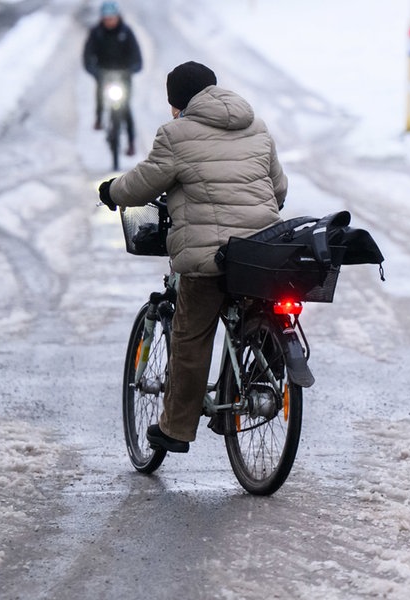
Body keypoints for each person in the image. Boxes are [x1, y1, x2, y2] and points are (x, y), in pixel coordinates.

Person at [98, 61, 288, 453]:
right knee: (255, 306)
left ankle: (176, 429)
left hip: (210, 258)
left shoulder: (175, 134)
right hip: (262, 253)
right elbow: (279, 188)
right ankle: (257, 377)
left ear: (178, 103)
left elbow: (141, 184)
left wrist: (111, 191)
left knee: (190, 335)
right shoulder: (256, 126)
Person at [82, 1, 142, 155]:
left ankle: (131, 143)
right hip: (104, 74)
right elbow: (88, 56)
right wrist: (94, 71)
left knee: (126, 108)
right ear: (102, 18)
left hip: (124, 75)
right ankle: (99, 119)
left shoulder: (126, 32)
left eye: (112, 18)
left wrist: (133, 68)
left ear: (117, 17)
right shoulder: (96, 33)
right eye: (106, 18)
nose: (109, 21)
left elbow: (137, 56)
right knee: (100, 96)